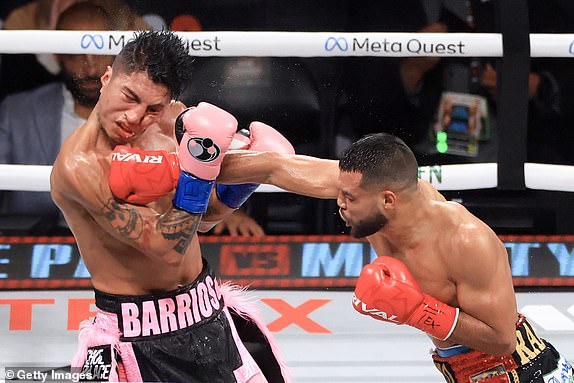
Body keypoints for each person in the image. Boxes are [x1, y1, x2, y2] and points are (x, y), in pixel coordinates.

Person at [218, 132, 574, 382]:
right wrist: (189, 169)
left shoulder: (466, 240)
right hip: (460, 370)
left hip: (522, 372)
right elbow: (273, 167)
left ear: (388, 200)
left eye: (350, 199)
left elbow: (501, 339)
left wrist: (417, 310)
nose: (340, 204)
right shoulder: (364, 190)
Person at [50, 30, 293, 382]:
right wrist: (197, 176)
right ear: (107, 78)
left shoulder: (173, 123)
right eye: (129, 96)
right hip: (134, 338)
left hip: (207, 313)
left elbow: (202, 219)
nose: (134, 117)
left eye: (153, 108)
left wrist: (238, 188)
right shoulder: (81, 166)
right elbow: (165, 249)